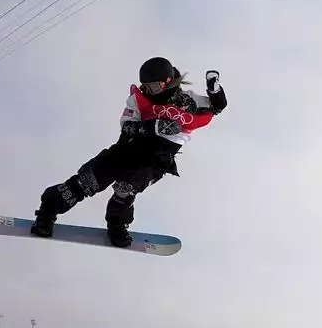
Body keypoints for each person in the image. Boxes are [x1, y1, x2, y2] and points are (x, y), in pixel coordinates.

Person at [30, 56, 228, 247]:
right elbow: (127, 126)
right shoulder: (139, 99)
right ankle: (47, 213)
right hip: (126, 151)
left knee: (126, 190)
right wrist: (153, 126)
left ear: (167, 82)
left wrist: (214, 89)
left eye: (155, 86)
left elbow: (217, 106)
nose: (150, 91)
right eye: (147, 86)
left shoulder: (189, 101)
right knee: (86, 181)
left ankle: (117, 225)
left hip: (155, 160)